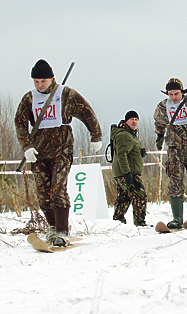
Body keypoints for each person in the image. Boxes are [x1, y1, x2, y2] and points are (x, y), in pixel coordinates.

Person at [14, 59, 102, 246]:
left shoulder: (65, 94)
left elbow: (86, 111)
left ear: (52, 79)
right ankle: (53, 227)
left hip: (62, 149)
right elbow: (20, 122)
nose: (40, 85)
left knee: (57, 189)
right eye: (36, 81)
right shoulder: (29, 98)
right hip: (38, 152)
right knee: (43, 193)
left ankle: (62, 231)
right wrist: (26, 146)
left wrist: (96, 136)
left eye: (43, 81)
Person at [153, 78, 187, 229]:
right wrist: (159, 136)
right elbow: (158, 122)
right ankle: (177, 218)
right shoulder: (163, 106)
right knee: (174, 182)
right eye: (170, 94)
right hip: (174, 148)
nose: (173, 97)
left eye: (176, 93)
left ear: (182, 91)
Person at [111, 111, 148, 226]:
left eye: (136, 119)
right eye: (131, 119)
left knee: (124, 197)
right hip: (127, 173)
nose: (134, 121)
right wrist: (127, 173)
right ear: (126, 121)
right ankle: (140, 222)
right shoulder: (124, 135)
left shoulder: (129, 134)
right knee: (139, 195)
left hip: (123, 172)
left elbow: (127, 152)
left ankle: (117, 221)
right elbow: (122, 155)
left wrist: (139, 152)